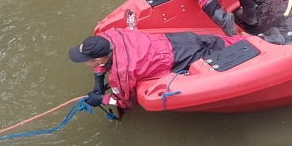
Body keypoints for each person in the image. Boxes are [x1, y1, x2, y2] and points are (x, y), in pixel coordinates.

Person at [69, 29, 243, 109]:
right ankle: (250, 38)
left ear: (99, 59)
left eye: (86, 61)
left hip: (177, 58)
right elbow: (101, 53)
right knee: (221, 42)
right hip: (177, 40)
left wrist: (103, 99)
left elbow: (126, 102)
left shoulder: (121, 73)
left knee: (230, 56)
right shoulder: (111, 35)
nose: (85, 63)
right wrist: (99, 79)